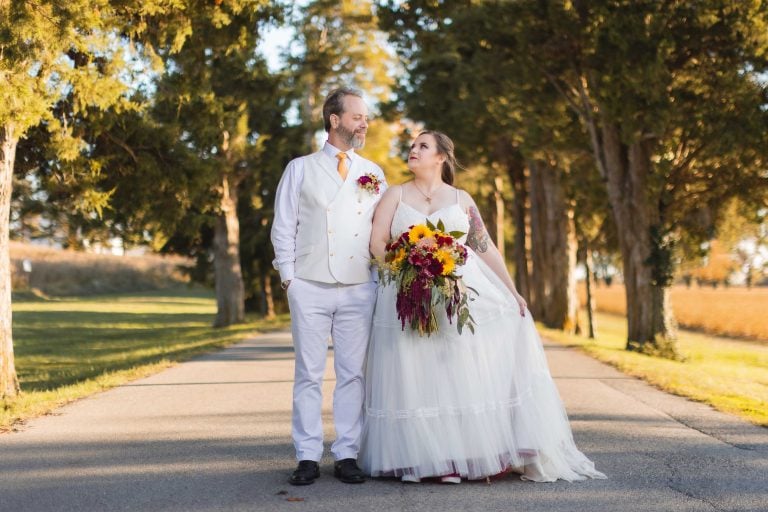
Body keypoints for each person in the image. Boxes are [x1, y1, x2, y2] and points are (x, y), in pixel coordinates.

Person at [359, 130, 606, 484]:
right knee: (415, 369)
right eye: (412, 146)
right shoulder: (395, 195)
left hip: (460, 293)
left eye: (422, 146)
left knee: (455, 371)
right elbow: (377, 242)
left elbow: (484, 246)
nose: (413, 151)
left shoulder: (461, 199)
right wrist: (407, 263)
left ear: (441, 157)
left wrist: (513, 291)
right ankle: (426, 458)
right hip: (408, 291)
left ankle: (464, 455)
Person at [271, 87, 387, 485]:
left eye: (365, 117)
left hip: (358, 286)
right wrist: (290, 278)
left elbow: (381, 229)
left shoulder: (373, 173)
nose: (364, 123)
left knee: (352, 374)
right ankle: (306, 456)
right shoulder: (299, 168)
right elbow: (283, 226)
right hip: (310, 284)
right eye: (358, 117)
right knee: (308, 373)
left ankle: (347, 454)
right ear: (334, 120)